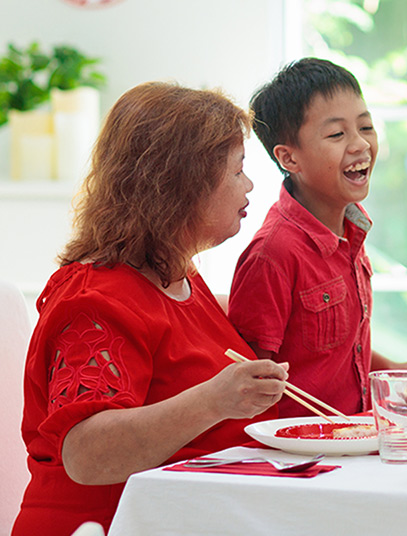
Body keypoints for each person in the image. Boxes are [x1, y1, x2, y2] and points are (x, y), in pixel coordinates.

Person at [13, 83, 288, 536]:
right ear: (183, 183)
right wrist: (214, 401)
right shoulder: (95, 301)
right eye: (238, 170)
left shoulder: (177, 276)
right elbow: (86, 454)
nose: (250, 185)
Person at [230, 58, 407, 417]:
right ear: (289, 158)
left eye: (366, 127)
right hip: (301, 460)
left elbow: (342, 350)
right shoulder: (273, 253)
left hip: (353, 438)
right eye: (337, 135)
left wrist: (401, 374)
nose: (360, 145)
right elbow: (249, 387)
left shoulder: (350, 233)